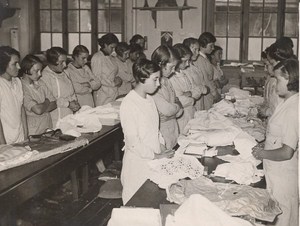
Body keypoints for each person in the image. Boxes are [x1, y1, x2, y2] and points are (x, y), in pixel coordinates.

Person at [120, 58, 174, 204]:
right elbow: (133, 143)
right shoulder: (129, 103)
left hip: (153, 159)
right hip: (138, 163)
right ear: (142, 78)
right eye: (155, 79)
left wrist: (162, 147)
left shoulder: (149, 99)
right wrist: (156, 155)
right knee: (137, 206)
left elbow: (155, 130)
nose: (158, 84)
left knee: (153, 202)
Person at [252, 58, 299, 226]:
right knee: (276, 215)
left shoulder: (294, 108)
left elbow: (287, 151)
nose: (275, 83)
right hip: (275, 171)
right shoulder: (286, 103)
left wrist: (262, 153)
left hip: (284, 175)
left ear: (290, 79)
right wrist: (264, 144)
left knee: (283, 218)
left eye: (278, 79)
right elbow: (277, 135)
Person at [151, 45, 183, 150]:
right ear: (160, 64)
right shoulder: (153, 83)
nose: (174, 70)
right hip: (162, 133)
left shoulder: (167, 80)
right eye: (171, 67)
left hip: (173, 130)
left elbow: (178, 112)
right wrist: (176, 106)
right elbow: (167, 110)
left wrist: (175, 108)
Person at [40, 47, 80, 127]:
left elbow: (71, 92)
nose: (65, 65)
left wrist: (75, 102)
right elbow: (50, 100)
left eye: (65, 61)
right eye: (62, 62)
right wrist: (68, 104)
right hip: (56, 119)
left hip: (69, 115)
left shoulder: (65, 72)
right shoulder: (45, 76)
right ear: (52, 62)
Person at [170, 44, 203, 133]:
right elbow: (180, 100)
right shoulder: (171, 78)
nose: (188, 64)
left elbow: (197, 89)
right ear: (176, 60)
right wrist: (192, 97)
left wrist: (190, 94)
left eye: (188, 60)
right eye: (185, 61)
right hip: (181, 117)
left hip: (191, 113)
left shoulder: (186, 73)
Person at [20, 55, 57, 135]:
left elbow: (54, 104)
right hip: (34, 132)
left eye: (41, 70)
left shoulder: (41, 83)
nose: (40, 74)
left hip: (47, 128)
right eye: (37, 71)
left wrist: (39, 108)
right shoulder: (21, 87)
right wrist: (47, 101)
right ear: (26, 70)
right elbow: (38, 110)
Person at [0, 46, 28, 144]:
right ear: (3, 64)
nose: (19, 67)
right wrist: (3, 146)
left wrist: (26, 136)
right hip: (5, 139)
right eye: (14, 64)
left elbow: (21, 108)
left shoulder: (17, 82)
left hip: (20, 137)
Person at [91, 33, 122, 106]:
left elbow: (114, 73)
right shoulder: (97, 57)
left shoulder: (111, 57)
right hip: (102, 95)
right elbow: (97, 79)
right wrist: (113, 83)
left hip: (113, 93)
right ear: (105, 45)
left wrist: (118, 79)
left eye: (115, 48)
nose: (113, 50)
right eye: (112, 47)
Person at [194, 32, 221, 109]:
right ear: (203, 45)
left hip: (208, 92)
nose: (213, 48)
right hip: (206, 93)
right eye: (211, 46)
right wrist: (215, 93)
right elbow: (206, 79)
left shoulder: (204, 58)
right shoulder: (199, 59)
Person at [182, 37, 208, 111]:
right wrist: (202, 89)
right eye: (195, 50)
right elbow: (188, 92)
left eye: (198, 50)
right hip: (190, 105)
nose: (197, 53)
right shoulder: (184, 69)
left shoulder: (194, 67)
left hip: (199, 103)